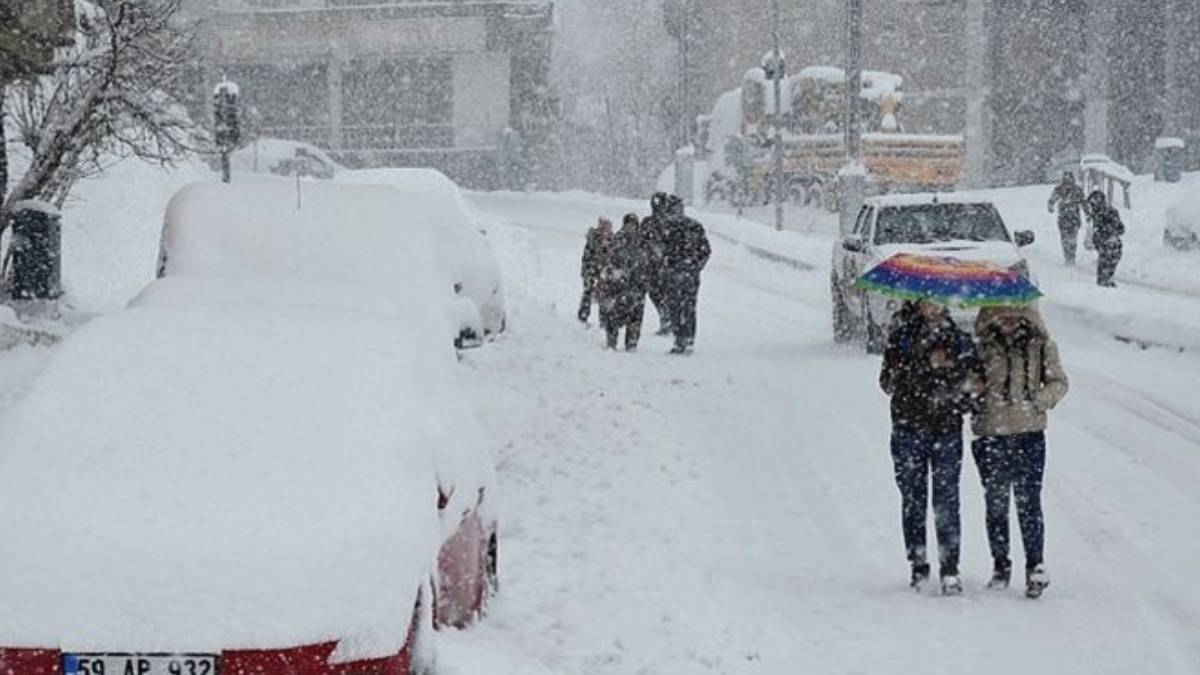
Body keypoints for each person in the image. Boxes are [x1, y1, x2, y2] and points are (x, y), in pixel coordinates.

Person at [879, 300, 980, 595]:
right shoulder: (902, 336)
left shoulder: (958, 340)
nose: (933, 306)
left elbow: (972, 391)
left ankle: (950, 566)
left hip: (945, 430)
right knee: (913, 496)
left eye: (939, 299)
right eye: (927, 299)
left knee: (946, 500)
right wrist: (915, 366)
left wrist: (950, 380)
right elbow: (887, 382)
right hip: (909, 427)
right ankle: (918, 561)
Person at [970, 305, 1068, 599]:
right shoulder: (981, 347)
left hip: (1029, 433)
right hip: (991, 434)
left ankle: (1035, 565)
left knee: (1029, 503)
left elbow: (1059, 382)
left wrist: (1039, 400)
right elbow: (966, 386)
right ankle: (1001, 565)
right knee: (996, 503)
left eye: (1015, 313)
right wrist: (974, 391)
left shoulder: (1040, 345)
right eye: (1003, 313)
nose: (1010, 319)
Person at [660, 194, 711, 354]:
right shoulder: (669, 228)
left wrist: (694, 266)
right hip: (680, 272)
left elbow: (705, 250)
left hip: (684, 272)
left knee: (683, 306)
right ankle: (683, 337)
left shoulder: (689, 227)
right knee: (680, 306)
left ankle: (685, 338)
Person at [599, 213, 649, 351]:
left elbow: (648, 262)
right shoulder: (617, 239)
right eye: (628, 225)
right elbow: (608, 260)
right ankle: (611, 342)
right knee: (613, 315)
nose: (630, 228)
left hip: (637, 286)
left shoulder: (642, 241)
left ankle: (631, 344)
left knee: (636, 317)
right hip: (618, 286)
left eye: (633, 225)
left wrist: (644, 281)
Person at [641, 192, 672, 334]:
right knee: (658, 292)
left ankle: (667, 318)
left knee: (658, 292)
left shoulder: (652, 222)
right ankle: (667, 318)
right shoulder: (654, 222)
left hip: (657, 263)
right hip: (656, 263)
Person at [578, 217, 614, 324]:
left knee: (604, 295)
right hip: (591, 270)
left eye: (607, 228)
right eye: (603, 228)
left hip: (604, 272)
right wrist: (590, 273)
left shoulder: (613, 241)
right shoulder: (593, 240)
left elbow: (612, 259)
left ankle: (604, 320)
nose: (605, 231)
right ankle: (583, 316)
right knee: (588, 292)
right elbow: (586, 258)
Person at [1087, 190, 1125, 288]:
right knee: (1109, 260)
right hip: (1109, 241)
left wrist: (1109, 231)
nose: (1092, 206)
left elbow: (1119, 226)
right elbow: (1120, 227)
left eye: (1093, 204)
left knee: (1108, 260)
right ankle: (1106, 280)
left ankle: (1105, 280)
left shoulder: (1101, 213)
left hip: (1108, 241)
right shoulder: (1107, 212)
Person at [1048, 172, 1085, 265]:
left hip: (1072, 217)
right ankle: (1068, 256)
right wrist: (1050, 205)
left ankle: (1070, 256)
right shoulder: (1061, 189)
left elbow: (1083, 202)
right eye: (1066, 179)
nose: (1068, 181)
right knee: (1067, 238)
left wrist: (1088, 212)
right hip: (1067, 217)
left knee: (1070, 238)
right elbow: (1052, 199)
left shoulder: (1076, 190)